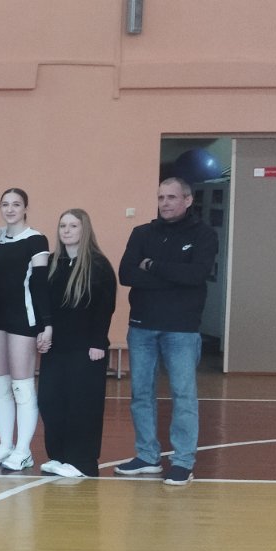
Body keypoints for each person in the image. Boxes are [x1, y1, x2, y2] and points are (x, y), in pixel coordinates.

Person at [114, 177, 219, 486]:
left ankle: (183, 461)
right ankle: (147, 456)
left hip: (182, 329)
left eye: (171, 197)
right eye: (161, 197)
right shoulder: (142, 233)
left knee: (183, 395)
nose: (165, 203)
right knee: (141, 394)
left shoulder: (203, 235)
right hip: (142, 327)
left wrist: (152, 266)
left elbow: (196, 275)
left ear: (187, 200)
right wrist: (173, 276)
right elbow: (126, 274)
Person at [0, 188, 53, 471]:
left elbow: (40, 283)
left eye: (16, 204)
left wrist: (47, 324)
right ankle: (5, 445)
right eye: (5, 204)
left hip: (23, 317)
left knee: (22, 386)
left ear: (25, 208)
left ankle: (23, 450)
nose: (10, 209)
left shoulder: (36, 239)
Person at [39, 209, 116, 478]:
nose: (67, 230)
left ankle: (81, 461)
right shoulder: (52, 262)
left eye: (73, 225)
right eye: (63, 225)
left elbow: (105, 306)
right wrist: (43, 332)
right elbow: (42, 302)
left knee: (82, 404)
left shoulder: (98, 265)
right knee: (50, 400)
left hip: (86, 348)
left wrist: (98, 342)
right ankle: (59, 456)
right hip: (56, 347)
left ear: (84, 230)